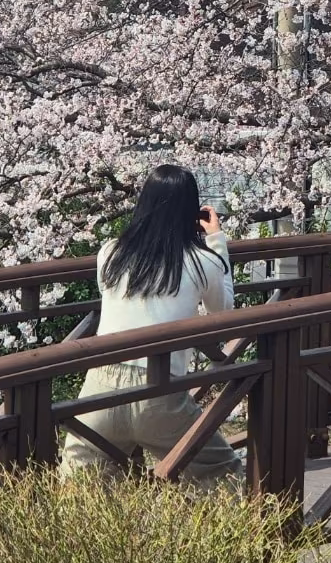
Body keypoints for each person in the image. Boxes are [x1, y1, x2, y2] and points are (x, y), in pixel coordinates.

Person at [59, 164, 241, 483]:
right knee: (221, 473)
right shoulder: (202, 262)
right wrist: (216, 240)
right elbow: (223, 311)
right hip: (160, 392)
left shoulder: (110, 252)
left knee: (81, 485)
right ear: (191, 212)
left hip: (99, 388)